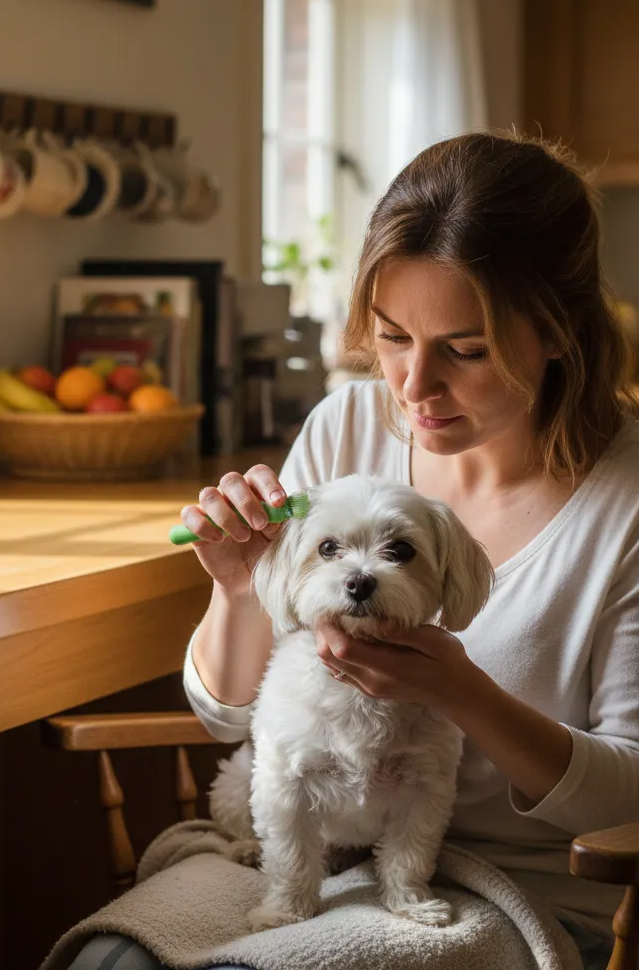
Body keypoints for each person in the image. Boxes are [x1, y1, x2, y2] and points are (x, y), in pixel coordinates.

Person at [67, 132, 639, 970]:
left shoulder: (624, 505)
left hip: (536, 890)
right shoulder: (347, 426)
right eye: (393, 337)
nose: (412, 387)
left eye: (466, 349)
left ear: (560, 331)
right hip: (321, 854)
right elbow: (232, 716)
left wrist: (461, 692)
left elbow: (629, 796)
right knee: (111, 962)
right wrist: (237, 589)